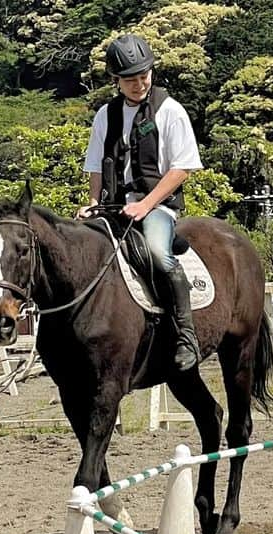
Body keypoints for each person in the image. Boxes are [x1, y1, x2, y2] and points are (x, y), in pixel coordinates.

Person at [79, 33, 204, 371]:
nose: (139, 84)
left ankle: (185, 335)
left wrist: (146, 204)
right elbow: (95, 166)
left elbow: (182, 169)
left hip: (158, 207)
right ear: (116, 81)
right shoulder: (106, 115)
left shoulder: (171, 111)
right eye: (130, 79)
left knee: (158, 254)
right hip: (113, 208)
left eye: (143, 75)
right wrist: (92, 202)